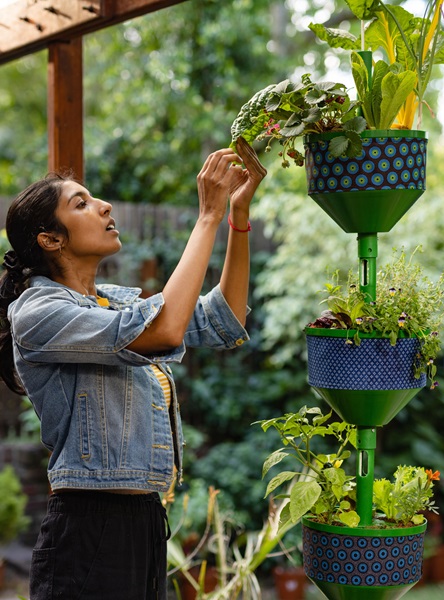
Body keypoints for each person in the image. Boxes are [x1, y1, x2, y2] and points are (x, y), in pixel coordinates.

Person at [0, 137, 267, 600]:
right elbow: (165, 331)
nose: (103, 206)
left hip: (144, 522)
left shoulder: (113, 302)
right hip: (90, 529)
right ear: (50, 238)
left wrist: (235, 220)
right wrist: (206, 216)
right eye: (81, 203)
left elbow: (224, 319)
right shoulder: (37, 312)